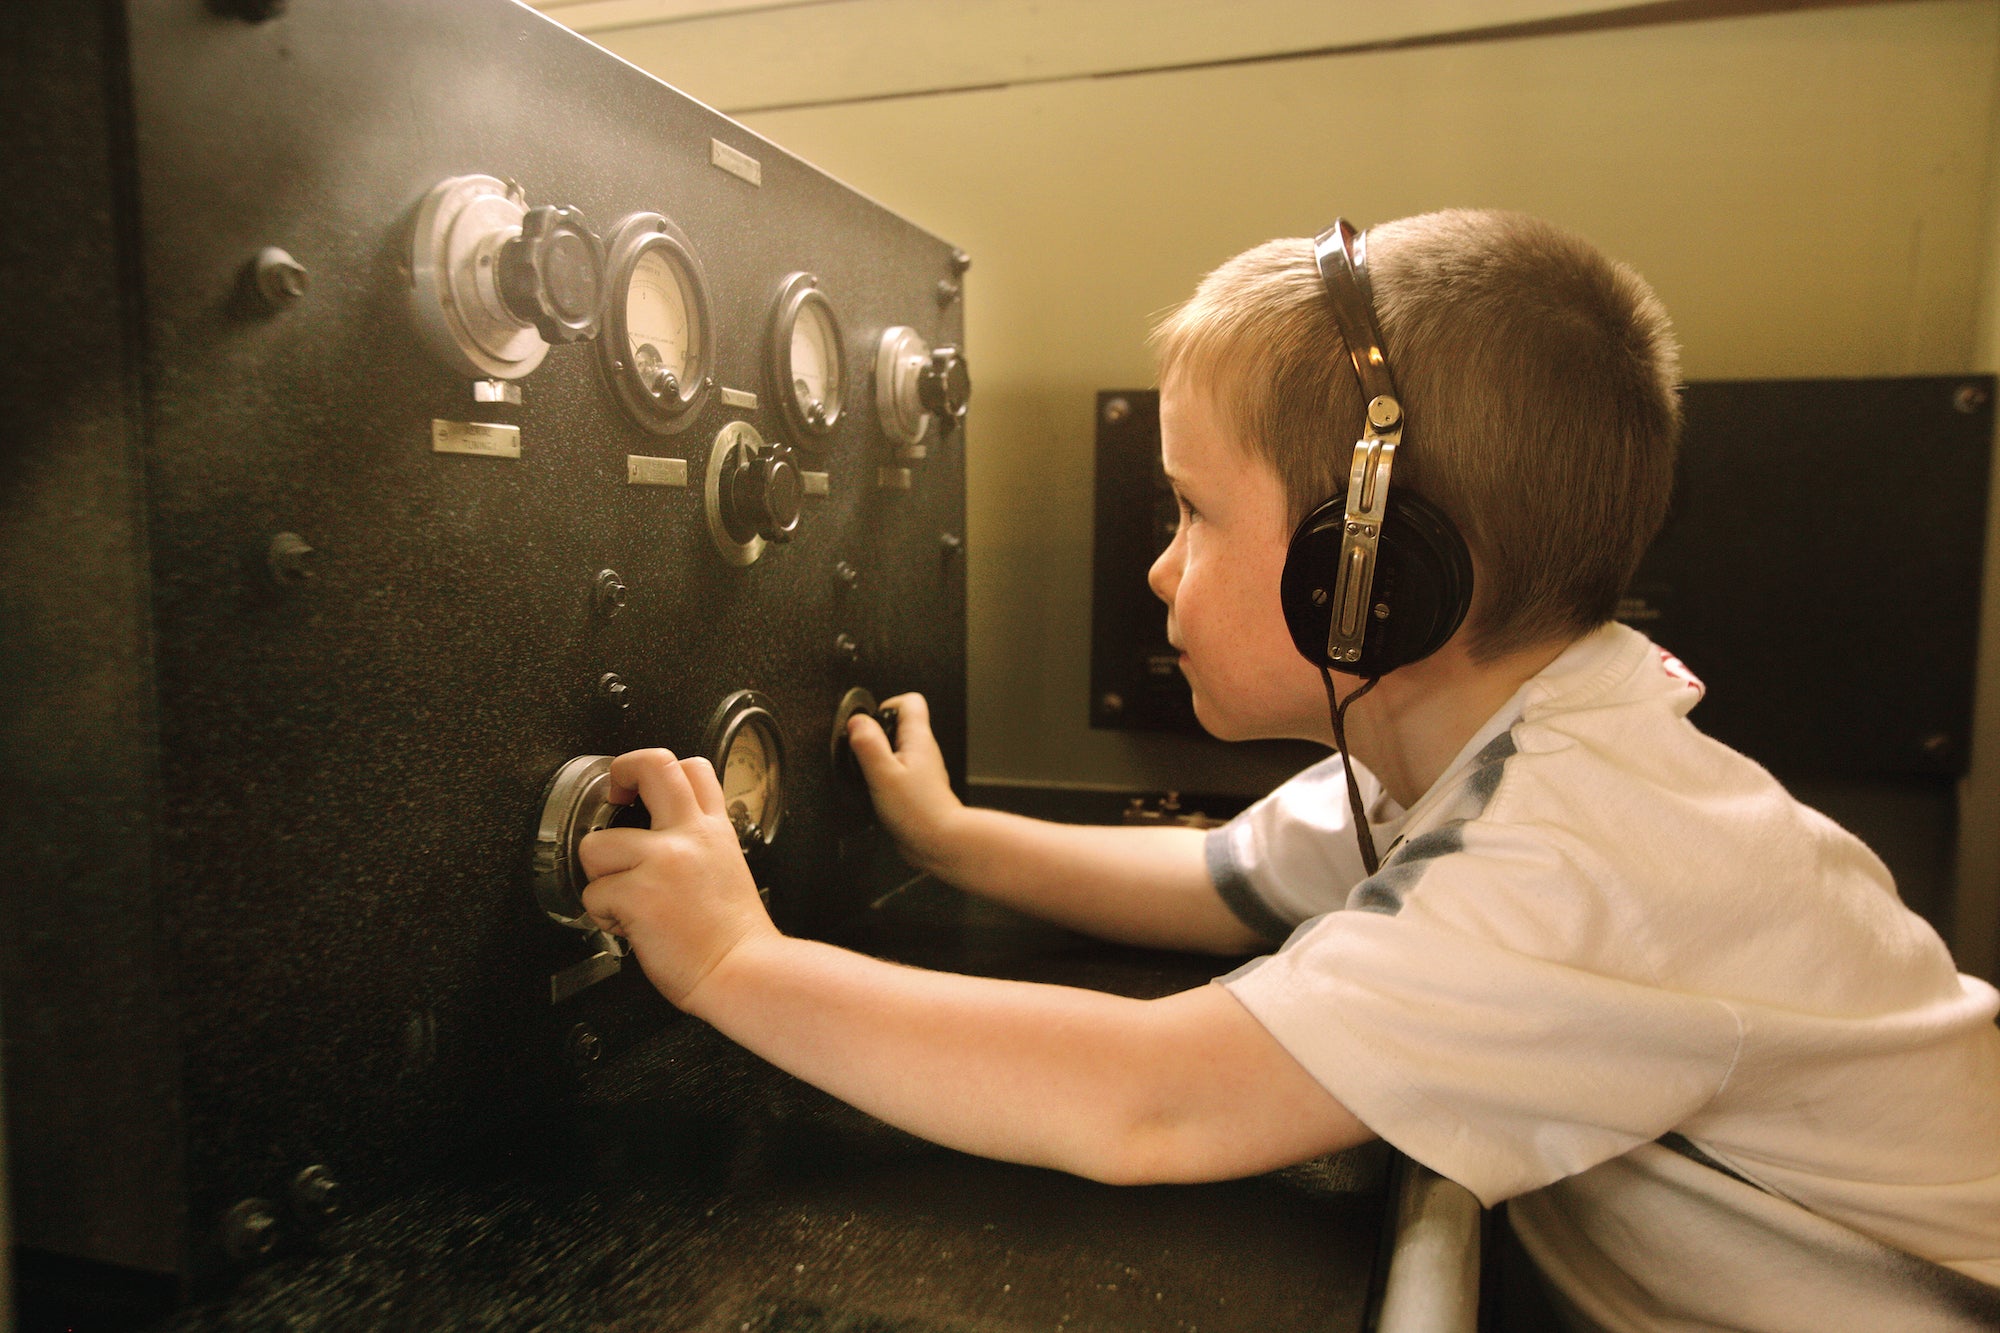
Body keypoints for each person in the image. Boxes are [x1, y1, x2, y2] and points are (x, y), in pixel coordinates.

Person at [577, 209, 2000, 1331]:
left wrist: (731, 967)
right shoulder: (1483, 746)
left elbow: (1151, 1101)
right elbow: (1210, 883)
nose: (1156, 565)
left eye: (1193, 512)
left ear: (1369, 582)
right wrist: (952, 836)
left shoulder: (1575, 856)